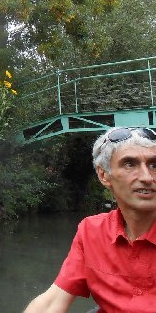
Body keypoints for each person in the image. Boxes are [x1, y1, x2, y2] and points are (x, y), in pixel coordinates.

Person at [24, 127, 156, 313]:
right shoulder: (92, 231)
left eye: (154, 165)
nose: (147, 177)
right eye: (129, 164)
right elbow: (52, 302)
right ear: (103, 175)